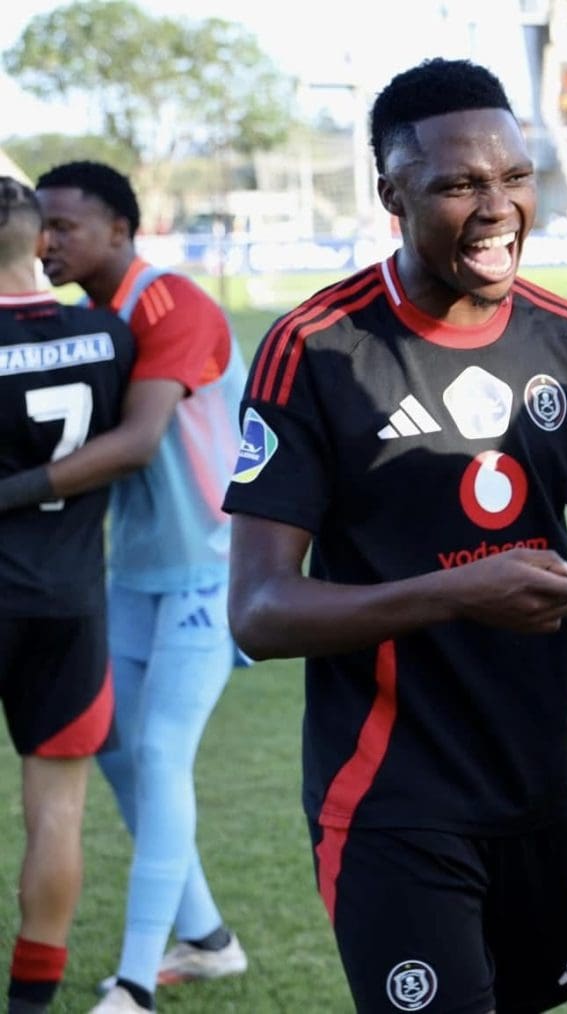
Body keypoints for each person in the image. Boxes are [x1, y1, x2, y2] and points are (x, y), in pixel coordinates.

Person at [221, 58, 567, 1014]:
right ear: (391, 192)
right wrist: (459, 591)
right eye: (458, 185)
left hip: (535, 783)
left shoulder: (566, 338)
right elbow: (260, 611)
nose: (497, 208)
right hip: (392, 798)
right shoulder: (315, 349)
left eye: (514, 178)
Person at [33, 160, 249, 1014]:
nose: (47, 241)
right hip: (138, 572)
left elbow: (136, 440)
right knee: (116, 749)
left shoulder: (172, 305)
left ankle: (134, 983)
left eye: (65, 227)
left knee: (161, 753)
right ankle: (206, 940)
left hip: (211, 566)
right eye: (38, 227)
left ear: (120, 231)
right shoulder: (91, 318)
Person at [0, 177, 136, 1014]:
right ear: (37, 243)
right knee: (57, 813)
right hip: (70, 604)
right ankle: (30, 1003)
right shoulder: (108, 335)